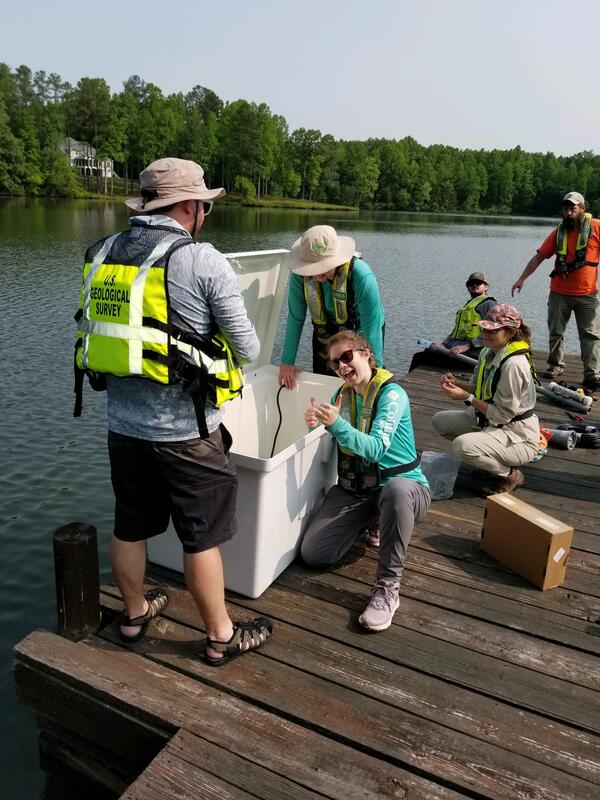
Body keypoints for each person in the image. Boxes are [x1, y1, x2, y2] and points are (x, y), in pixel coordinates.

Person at [74, 157, 272, 666]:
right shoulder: (201, 260)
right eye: (203, 202)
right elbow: (248, 348)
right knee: (200, 538)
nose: (205, 210)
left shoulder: (102, 253)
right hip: (186, 432)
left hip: (122, 426)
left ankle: (136, 612)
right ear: (188, 206)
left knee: (130, 525)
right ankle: (220, 636)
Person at [300, 330, 430, 632]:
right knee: (315, 554)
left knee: (396, 490)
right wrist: (313, 426)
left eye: (347, 357)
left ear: (366, 354)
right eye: (336, 363)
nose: (343, 367)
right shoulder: (341, 396)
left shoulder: (392, 395)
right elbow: (330, 438)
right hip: (359, 489)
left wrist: (335, 424)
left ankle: (388, 587)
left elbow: (376, 448)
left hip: (405, 488)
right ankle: (374, 520)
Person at [432, 304, 539, 495]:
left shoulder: (514, 364)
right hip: (490, 422)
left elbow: (502, 416)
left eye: (493, 330)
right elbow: (479, 388)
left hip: (517, 435)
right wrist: (457, 383)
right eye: (484, 328)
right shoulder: (487, 351)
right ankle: (488, 462)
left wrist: (467, 397)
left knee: (462, 446)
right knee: (440, 421)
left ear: (510, 332)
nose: (486, 334)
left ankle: (509, 474)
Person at [511, 191, 600, 391]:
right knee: (556, 332)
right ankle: (555, 365)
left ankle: (592, 375)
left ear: (582, 209)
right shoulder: (558, 232)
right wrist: (521, 279)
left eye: (573, 208)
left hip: (588, 295)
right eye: (566, 208)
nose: (568, 212)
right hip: (559, 292)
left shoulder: (596, 227)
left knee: (591, 335)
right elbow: (539, 257)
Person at [278, 225, 385, 389]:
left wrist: (373, 372)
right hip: (324, 332)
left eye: (324, 266)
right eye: (313, 267)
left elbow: (371, 328)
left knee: (363, 380)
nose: (318, 273)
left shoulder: (362, 276)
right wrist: (287, 362)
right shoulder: (299, 278)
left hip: (359, 330)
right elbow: (295, 318)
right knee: (325, 384)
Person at [440, 272, 497, 357]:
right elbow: (457, 331)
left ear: (486, 287)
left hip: (476, 350)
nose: (474, 285)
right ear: (468, 287)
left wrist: (467, 346)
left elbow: (493, 331)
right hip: (458, 347)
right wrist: (445, 344)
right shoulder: (468, 306)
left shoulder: (489, 304)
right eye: (471, 283)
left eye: (478, 283)